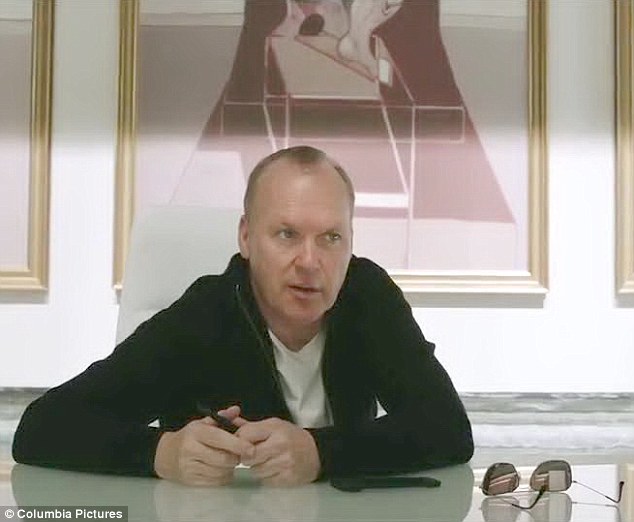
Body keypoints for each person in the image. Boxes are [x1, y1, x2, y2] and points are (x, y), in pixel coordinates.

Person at [13, 146, 473, 487]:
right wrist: (162, 453)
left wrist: (320, 452)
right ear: (247, 238)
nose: (310, 261)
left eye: (331, 238)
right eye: (287, 234)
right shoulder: (203, 315)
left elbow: (446, 428)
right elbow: (42, 428)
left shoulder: (367, 296)